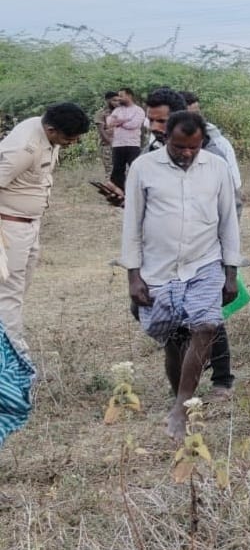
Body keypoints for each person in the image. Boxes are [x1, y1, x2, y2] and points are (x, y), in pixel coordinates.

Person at [121, 111, 241, 441]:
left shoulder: (217, 168)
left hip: (204, 264)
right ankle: (181, 397)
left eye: (193, 147)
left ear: (202, 142)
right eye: (178, 147)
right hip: (158, 269)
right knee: (174, 340)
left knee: (205, 326)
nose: (186, 153)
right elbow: (132, 224)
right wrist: (133, 276)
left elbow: (229, 222)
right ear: (166, 140)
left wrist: (230, 272)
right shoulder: (144, 168)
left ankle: (182, 406)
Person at [147, 88, 242, 396]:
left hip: (205, 250)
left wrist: (228, 261)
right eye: (152, 120)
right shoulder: (150, 150)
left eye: (160, 121)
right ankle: (186, 387)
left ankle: (222, 379)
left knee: (209, 316)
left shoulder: (214, 152)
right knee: (175, 317)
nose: (154, 127)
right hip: (165, 255)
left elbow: (231, 203)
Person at [0, 103, 89, 354]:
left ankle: (9, 342)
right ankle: (12, 354)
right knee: (9, 292)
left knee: (18, 288)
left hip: (28, 225)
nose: (73, 142)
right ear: (51, 129)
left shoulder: (45, 134)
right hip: (8, 227)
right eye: (69, 138)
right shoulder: (23, 149)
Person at [104, 88, 146, 196]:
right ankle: (117, 193)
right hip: (118, 144)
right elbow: (109, 123)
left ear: (129, 96)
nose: (119, 98)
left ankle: (136, 193)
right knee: (117, 169)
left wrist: (118, 122)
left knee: (134, 168)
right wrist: (125, 120)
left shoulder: (139, 110)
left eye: (121, 96)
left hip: (133, 144)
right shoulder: (117, 110)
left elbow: (134, 125)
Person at [94, 91, 119, 169]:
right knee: (110, 170)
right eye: (114, 100)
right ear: (107, 100)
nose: (117, 103)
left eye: (118, 100)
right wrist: (111, 143)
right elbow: (101, 131)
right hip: (108, 146)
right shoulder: (101, 113)